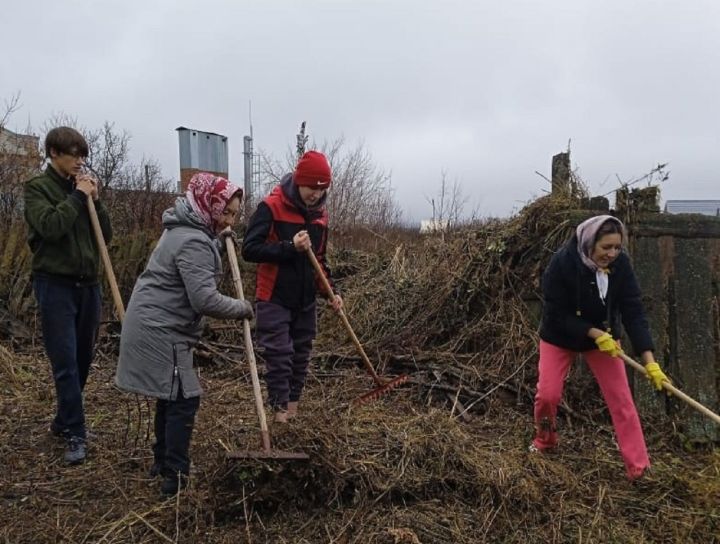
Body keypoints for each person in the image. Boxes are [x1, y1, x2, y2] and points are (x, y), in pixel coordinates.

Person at [115, 173, 253, 496]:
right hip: (161, 330)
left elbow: (194, 264)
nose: (230, 220)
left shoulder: (184, 230)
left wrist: (218, 242)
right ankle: (175, 477)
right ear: (209, 206)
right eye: (226, 212)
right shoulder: (192, 240)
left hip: (152, 323)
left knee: (171, 394)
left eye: (234, 214)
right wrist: (243, 307)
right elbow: (203, 299)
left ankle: (163, 462)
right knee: (184, 399)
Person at [532, 214, 670, 480]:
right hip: (559, 336)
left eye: (617, 247)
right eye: (606, 247)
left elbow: (633, 311)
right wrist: (592, 332)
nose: (612, 253)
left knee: (622, 400)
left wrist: (649, 360)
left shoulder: (621, 266)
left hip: (604, 340)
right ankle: (545, 441)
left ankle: (639, 468)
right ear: (589, 243)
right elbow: (555, 313)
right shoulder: (562, 264)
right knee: (547, 396)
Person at [24, 126, 111, 465]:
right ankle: (76, 431)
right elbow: (50, 227)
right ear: (54, 153)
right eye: (73, 154)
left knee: (83, 360)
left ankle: (63, 420)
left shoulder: (82, 191)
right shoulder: (37, 189)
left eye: (82, 154)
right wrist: (77, 198)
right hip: (55, 285)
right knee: (65, 363)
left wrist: (96, 202)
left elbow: (105, 235)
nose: (79, 161)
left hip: (88, 285)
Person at [242, 150, 342, 423]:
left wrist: (330, 292)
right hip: (274, 296)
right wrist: (290, 247)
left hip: (305, 299)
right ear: (299, 181)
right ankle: (279, 413)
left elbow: (319, 258)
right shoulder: (271, 207)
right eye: (312, 188)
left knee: (301, 354)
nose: (316, 195)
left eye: (322, 190)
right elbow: (250, 249)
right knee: (280, 355)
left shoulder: (320, 216)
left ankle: (293, 411)